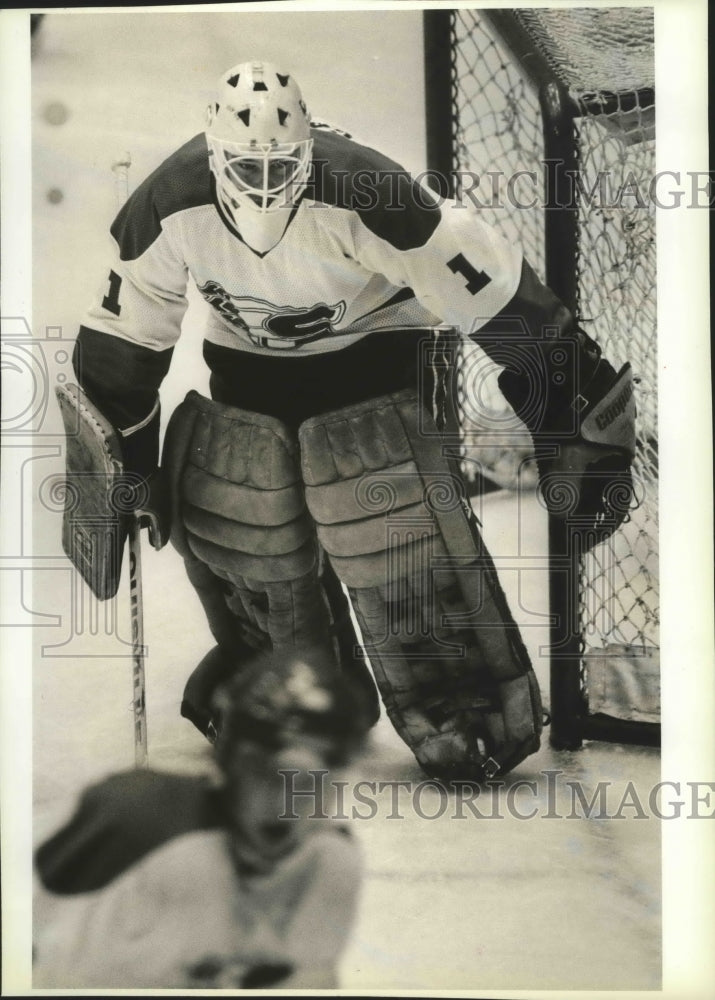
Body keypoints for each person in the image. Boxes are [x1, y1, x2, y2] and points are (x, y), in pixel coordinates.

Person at [66, 60, 635, 781]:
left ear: (307, 149)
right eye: (246, 168)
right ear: (214, 156)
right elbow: (125, 342)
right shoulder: (165, 204)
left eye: (281, 168)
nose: (264, 184)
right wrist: (127, 461)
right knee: (238, 507)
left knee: (385, 516)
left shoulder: (376, 192)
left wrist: (578, 416)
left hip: (379, 355)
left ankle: (461, 698)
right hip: (247, 360)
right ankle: (283, 678)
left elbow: (503, 305)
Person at [33, 646, 370, 989]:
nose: (287, 803)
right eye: (265, 774)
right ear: (226, 766)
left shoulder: (332, 863)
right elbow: (43, 973)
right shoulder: (134, 830)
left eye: (314, 782)